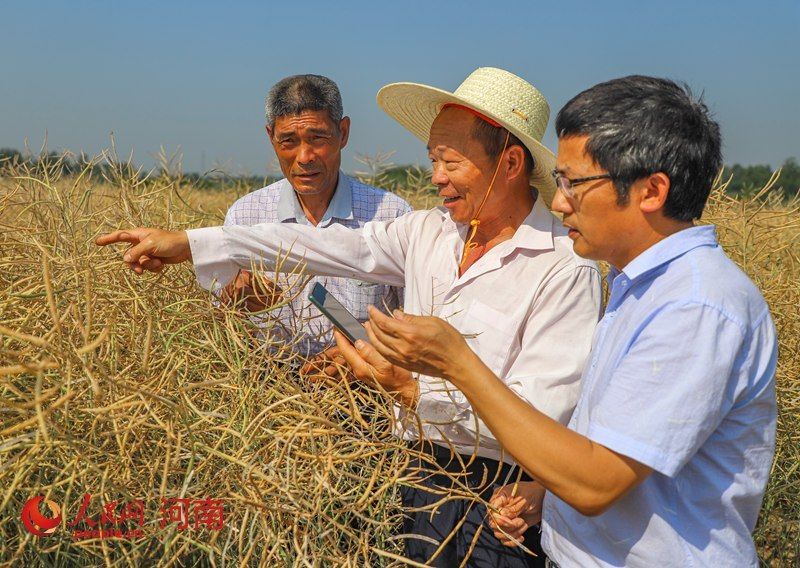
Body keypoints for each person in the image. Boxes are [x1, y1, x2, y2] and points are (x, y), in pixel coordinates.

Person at [96, 67, 602, 566]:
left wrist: (409, 389)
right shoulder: (427, 232)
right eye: (432, 160)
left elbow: (544, 419)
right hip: (407, 474)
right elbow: (326, 246)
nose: (436, 178)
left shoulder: (564, 267)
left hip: (495, 499)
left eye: (450, 162)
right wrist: (190, 243)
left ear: (510, 163)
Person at [355, 76, 778, 567]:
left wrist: (456, 363)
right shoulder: (637, 288)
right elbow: (609, 451)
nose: (557, 202)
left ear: (651, 190)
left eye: (573, 183)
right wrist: (543, 493)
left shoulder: (695, 306)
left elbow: (596, 482)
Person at [221, 74, 411, 358]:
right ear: (270, 137)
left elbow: (415, 324)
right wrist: (235, 304)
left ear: (343, 132)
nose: (305, 157)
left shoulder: (392, 215)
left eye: (318, 138)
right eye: (288, 141)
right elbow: (225, 328)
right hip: (269, 386)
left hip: (367, 393)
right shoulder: (245, 217)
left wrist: (362, 355)